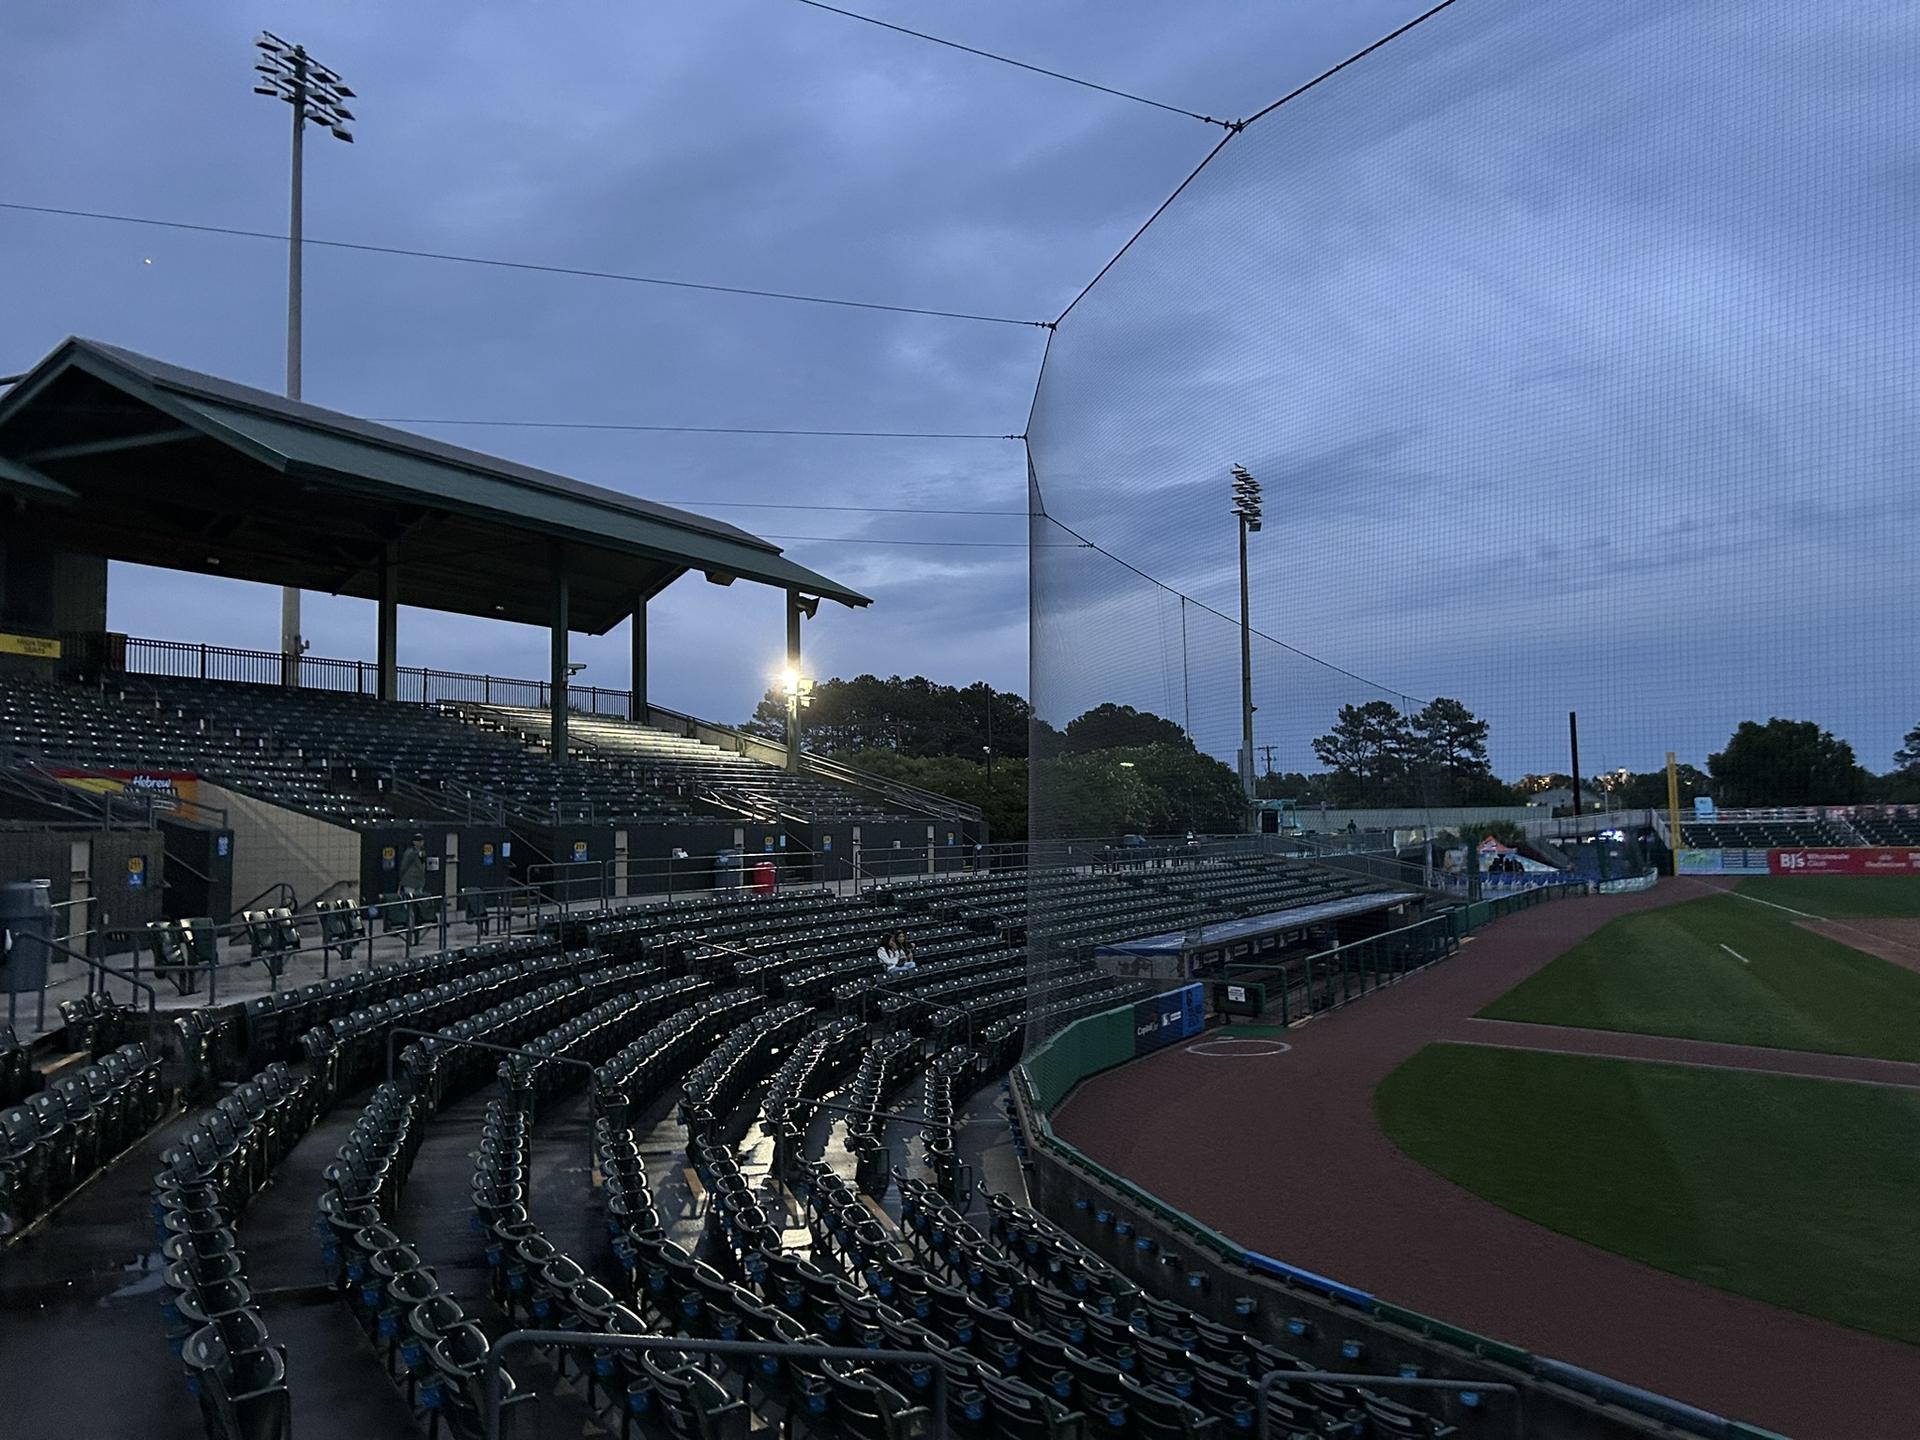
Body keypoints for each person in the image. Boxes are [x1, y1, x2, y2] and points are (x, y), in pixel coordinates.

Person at [397, 835, 428, 943]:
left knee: (418, 906)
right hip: (409, 882)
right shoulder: (410, 853)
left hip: (419, 883)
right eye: (418, 841)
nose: (421, 843)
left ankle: (416, 926)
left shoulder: (422, 853)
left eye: (422, 841)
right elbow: (403, 866)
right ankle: (410, 927)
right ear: (414, 842)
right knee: (410, 906)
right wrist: (401, 880)